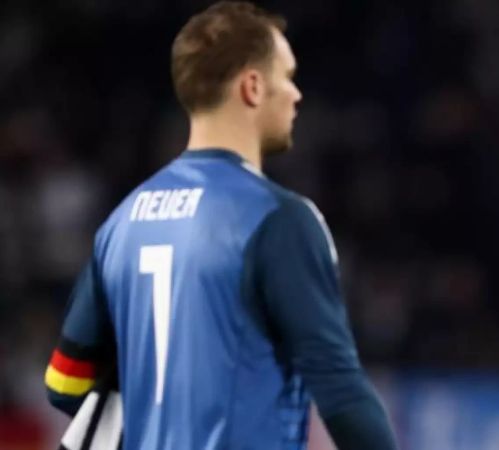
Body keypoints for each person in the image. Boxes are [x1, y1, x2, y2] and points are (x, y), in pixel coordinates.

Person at [43, 2, 398, 449]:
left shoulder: (121, 223)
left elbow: (64, 384)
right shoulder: (278, 220)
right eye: (287, 76)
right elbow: (341, 391)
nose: (296, 94)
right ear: (252, 86)